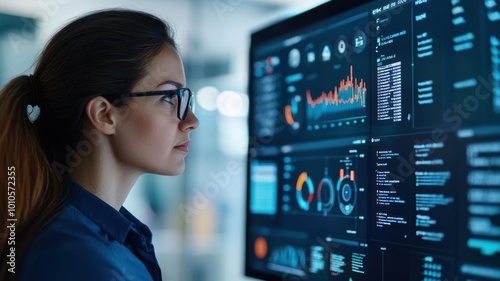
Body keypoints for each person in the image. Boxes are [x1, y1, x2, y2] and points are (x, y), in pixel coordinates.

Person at [0, 9, 199, 281]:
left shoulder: (97, 239)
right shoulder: (76, 261)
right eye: (169, 97)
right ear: (105, 115)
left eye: (185, 98)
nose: (191, 120)